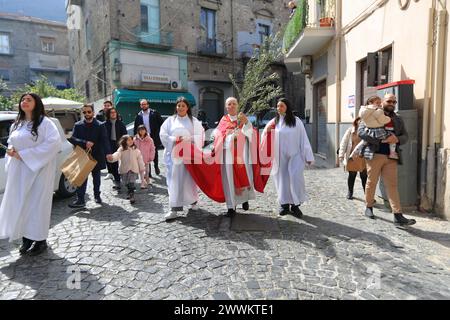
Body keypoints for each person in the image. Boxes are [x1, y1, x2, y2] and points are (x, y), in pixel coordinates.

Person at [0, 93, 62, 256]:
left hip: (39, 171)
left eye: (29, 99)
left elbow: (53, 143)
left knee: (37, 204)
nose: (24, 102)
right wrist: (11, 152)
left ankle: (40, 240)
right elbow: (11, 143)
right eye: (22, 99)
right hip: (19, 171)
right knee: (22, 203)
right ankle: (26, 238)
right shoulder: (17, 124)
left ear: (37, 103)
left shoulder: (45, 123)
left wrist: (24, 155)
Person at [358, 94, 416, 226]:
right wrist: (381, 140)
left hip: (392, 156)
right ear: (382, 102)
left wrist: (397, 139)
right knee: (371, 182)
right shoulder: (371, 113)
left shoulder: (398, 119)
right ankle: (369, 207)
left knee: (392, 185)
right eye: (389, 101)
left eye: (394, 102)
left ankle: (398, 215)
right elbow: (361, 132)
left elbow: (405, 136)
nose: (392, 103)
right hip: (375, 154)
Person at [262, 98, 314, 217]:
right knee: (282, 181)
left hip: (295, 156)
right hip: (280, 158)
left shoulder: (296, 121)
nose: (279, 108)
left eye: (281, 106)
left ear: (287, 107)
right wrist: (268, 131)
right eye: (278, 106)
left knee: (296, 180)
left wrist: (308, 155)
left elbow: (304, 139)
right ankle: (284, 205)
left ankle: (295, 206)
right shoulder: (274, 121)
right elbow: (264, 134)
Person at [159, 97, 204, 221]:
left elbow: (200, 135)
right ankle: (174, 208)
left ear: (187, 107)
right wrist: (174, 139)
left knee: (190, 179)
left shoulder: (193, 121)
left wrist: (188, 139)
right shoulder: (170, 121)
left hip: (189, 156)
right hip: (175, 157)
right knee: (175, 181)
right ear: (176, 107)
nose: (180, 108)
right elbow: (163, 134)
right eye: (179, 105)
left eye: (183, 105)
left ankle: (193, 201)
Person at [216, 97, 255, 217]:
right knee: (229, 180)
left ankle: (244, 199)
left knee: (245, 175)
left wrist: (247, 123)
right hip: (228, 155)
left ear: (237, 105)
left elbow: (251, 133)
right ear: (226, 107)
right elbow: (218, 136)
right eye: (229, 104)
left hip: (242, 153)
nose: (232, 106)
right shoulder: (223, 120)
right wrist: (230, 136)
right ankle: (231, 207)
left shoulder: (242, 118)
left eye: (234, 103)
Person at [68, 104, 112, 208]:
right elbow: (73, 139)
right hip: (83, 155)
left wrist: (108, 153)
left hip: (97, 155)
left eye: (89, 112)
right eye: (84, 112)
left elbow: (105, 139)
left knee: (96, 177)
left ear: (93, 112)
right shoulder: (78, 125)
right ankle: (80, 200)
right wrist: (85, 142)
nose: (87, 114)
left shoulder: (100, 125)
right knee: (82, 178)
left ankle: (97, 195)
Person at [108, 135, 145, 204]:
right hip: (124, 169)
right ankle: (129, 192)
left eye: (131, 140)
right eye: (128, 140)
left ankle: (131, 195)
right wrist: (112, 157)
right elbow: (117, 155)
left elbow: (140, 159)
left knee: (131, 182)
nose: (131, 141)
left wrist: (142, 167)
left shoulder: (136, 150)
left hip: (133, 169)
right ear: (124, 141)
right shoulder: (121, 150)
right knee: (126, 183)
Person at [133, 99, 165, 176]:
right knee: (145, 154)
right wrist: (136, 137)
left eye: (145, 104)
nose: (143, 106)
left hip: (154, 136)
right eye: (142, 104)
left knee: (155, 152)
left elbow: (162, 124)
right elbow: (136, 127)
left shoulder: (155, 113)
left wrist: (161, 134)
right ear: (140, 106)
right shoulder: (138, 115)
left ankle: (156, 166)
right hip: (143, 137)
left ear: (148, 105)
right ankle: (148, 171)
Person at [339, 117, 368, 200]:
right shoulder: (351, 130)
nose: (361, 122)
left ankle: (367, 195)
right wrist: (341, 155)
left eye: (363, 120)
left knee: (364, 176)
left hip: (363, 157)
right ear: (356, 121)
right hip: (352, 156)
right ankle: (350, 192)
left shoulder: (367, 131)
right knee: (352, 175)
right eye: (360, 120)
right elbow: (344, 142)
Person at [104, 107, 127, 190]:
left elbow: (125, 136)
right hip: (109, 146)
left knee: (122, 164)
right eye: (111, 112)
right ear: (108, 114)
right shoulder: (104, 124)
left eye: (114, 112)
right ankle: (117, 181)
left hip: (119, 145)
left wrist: (123, 145)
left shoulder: (121, 124)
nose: (113, 114)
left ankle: (127, 180)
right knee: (113, 164)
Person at [134, 125, 156, 189]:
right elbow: (133, 148)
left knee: (147, 170)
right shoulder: (135, 139)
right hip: (139, 157)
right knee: (141, 170)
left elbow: (152, 148)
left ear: (145, 130)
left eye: (143, 130)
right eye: (140, 130)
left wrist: (151, 157)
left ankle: (147, 179)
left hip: (147, 157)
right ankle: (142, 182)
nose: (142, 131)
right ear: (138, 131)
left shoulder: (149, 139)